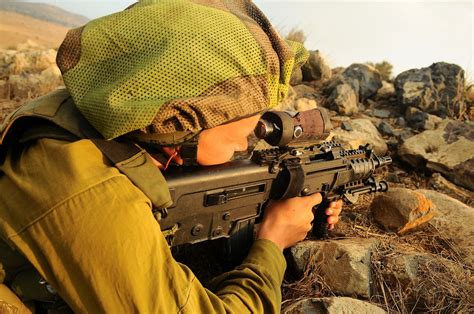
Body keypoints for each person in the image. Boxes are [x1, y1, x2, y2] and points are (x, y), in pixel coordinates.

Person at [0, 1, 342, 313]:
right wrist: (272, 243)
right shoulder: (93, 196)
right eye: (244, 129)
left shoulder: (106, 114)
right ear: (181, 125)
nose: (248, 143)